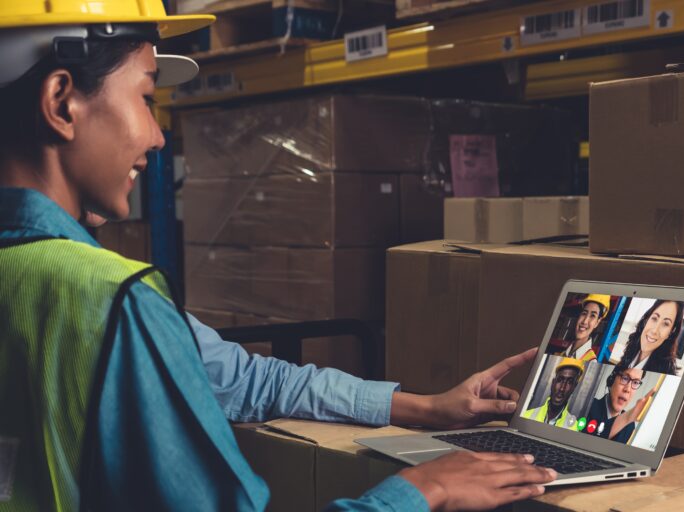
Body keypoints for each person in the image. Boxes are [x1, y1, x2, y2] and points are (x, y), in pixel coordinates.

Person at [0, 2, 556, 511]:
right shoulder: (114, 300)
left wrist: (428, 409)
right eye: (147, 99)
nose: (157, 136)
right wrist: (422, 490)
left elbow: (243, 380)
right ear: (61, 102)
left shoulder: (56, 283)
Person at [584, 367, 652, 444]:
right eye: (625, 378)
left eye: (635, 382)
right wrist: (627, 418)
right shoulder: (586, 405)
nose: (628, 389)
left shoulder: (630, 426)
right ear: (611, 381)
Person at [618, 300, 684, 375]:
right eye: (654, 318)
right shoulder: (632, 350)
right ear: (646, 320)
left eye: (666, 324)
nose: (654, 331)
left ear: (670, 333)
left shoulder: (665, 373)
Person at [522, 358, 584, 430]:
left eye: (569, 382)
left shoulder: (575, 428)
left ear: (574, 387)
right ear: (553, 382)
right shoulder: (526, 415)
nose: (562, 388)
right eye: (560, 380)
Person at [557, 294, 611, 362]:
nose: (585, 321)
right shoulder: (563, 354)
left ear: (597, 322)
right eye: (584, 313)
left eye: (593, 316)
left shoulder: (591, 362)